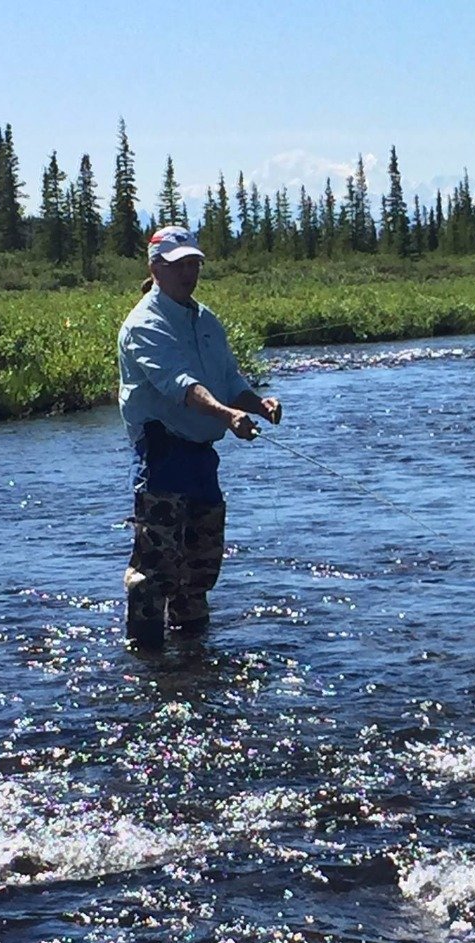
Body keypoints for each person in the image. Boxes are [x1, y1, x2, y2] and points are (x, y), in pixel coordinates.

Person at [116, 225, 281, 649]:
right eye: (179, 265)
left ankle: (194, 658)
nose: (189, 273)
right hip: (162, 452)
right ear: (155, 268)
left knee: (200, 568)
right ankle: (146, 662)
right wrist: (229, 415)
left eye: (194, 264)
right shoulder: (143, 325)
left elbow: (227, 379)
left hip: (202, 457)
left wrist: (257, 404)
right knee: (156, 570)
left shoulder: (205, 319)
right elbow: (182, 385)